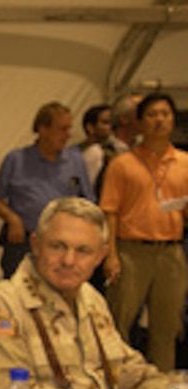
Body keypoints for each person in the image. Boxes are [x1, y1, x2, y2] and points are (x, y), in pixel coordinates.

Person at [0, 197, 169, 389]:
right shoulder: (1, 305)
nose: (69, 260)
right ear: (35, 244)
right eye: (57, 246)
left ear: (100, 256)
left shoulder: (91, 299)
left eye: (83, 251)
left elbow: (124, 372)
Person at [100, 92, 188, 372]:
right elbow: (109, 211)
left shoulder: (185, 162)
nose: (159, 120)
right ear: (139, 123)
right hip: (130, 251)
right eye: (152, 115)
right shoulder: (122, 164)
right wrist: (110, 255)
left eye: (165, 114)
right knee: (119, 323)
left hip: (171, 251)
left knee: (167, 326)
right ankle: (117, 385)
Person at [0, 101, 95, 278]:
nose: (67, 135)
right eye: (62, 129)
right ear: (43, 129)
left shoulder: (75, 161)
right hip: (24, 242)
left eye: (69, 129)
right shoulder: (16, 160)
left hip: (63, 245)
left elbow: (88, 201)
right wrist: (12, 218)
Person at [78, 103, 113, 187]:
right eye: (105, 123)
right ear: (90, 127)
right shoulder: (81, 153)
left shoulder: (111, 150)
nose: (110, 127)